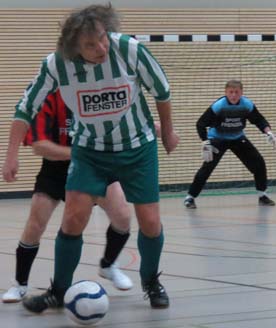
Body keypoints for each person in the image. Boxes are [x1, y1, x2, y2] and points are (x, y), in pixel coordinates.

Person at [2, 3, 179, 311]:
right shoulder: (57, 64)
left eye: (102, 38)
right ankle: (59, 290)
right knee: (73, 218)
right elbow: (24, 109)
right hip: (90, 151)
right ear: (74, 48)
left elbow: (161, 91)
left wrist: (167, 133)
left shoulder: (129, 49)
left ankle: (151, 281)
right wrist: (11, 156)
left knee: (149, 220)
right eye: (90, 44)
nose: (100, 48)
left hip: (137, 147)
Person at [2, 89, 133, 303]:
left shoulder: (97, 95)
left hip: (94, 168)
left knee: (123, 216)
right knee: (35, 225)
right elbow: (39, 146)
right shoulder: (50, 98)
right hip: (55, 171)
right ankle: (20, 284)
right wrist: (78, 153)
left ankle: (108, 265)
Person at [184, 80, 276, 209]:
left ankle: (263, 195)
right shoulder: (219, 106)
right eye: (231, 92)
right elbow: (201, 123)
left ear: (241, 93)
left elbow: (259, 119)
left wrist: (268, 132)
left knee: (259, 163)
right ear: (226, 92)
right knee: (207, 168)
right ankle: (190, 198)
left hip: (238, 137)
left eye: (236, 92)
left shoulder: (247, 104)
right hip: (217, 138)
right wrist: (205, 142)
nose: (233, 95)